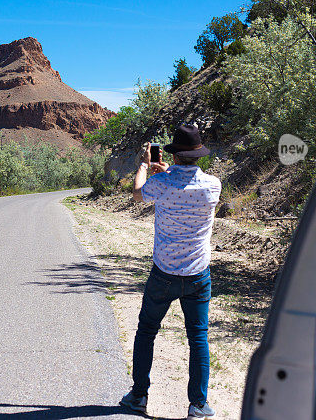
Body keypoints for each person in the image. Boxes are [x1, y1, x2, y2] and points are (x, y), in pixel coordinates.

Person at [119, 125, 221, 420]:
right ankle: (198, 405)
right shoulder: (213, 185)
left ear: (174, 154)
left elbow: (138, 193)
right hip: (197, 275)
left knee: (147, 331)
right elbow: (184, 180)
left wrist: (143, 164)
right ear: (198, 153)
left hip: (164, 273)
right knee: (198, 337)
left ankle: (138, 396)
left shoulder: (161, 184)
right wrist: (165, 168)